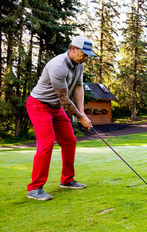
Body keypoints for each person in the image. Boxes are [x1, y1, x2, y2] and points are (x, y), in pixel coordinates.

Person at [26, 36, 95, 201]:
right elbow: (64, 100)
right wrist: (80, 117)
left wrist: (82, 113)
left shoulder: (79, 65)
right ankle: (34, 188)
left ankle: (67, 180)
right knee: (47, 143)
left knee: (70, 140)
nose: (86, 58)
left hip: (56, 108)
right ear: (72, 49)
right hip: (39, 105)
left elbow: (78, 87)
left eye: (88, 55)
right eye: (84, 53)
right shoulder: (58, 66)